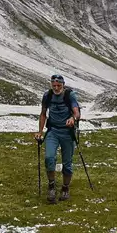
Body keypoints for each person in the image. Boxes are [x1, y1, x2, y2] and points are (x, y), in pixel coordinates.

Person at [35, 74, 80, 204]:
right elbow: (43, 114)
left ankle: (65, 188)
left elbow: (76, 111)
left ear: (63, 85)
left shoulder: (70, 95)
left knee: (67, 163)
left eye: (58, 85)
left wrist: (73, 118)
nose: (56, 87)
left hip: (67, 133)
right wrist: (40, 131)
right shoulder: (47, 95)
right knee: (49, 158)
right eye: (53, 85)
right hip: (53, 131)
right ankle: (51, 186)